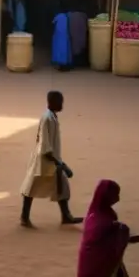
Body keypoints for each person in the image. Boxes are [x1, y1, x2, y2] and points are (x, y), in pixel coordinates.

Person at [19, 90, 82, 227]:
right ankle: (24, 217)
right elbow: (45, 145)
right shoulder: (48, 119)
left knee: (62, 187)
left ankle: (66, 215)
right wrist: (61, 164)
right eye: (60, 102)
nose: (62, 105)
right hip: (45, 160)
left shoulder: (51, 116)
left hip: (51, 159)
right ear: (52, 103)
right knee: (32, 187)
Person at [52, 1, 73, 72]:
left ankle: (61, 66)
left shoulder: (57, 16)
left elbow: (53, 24)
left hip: (58, 36)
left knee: (59, 52)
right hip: (66, 36)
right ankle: (66, 66)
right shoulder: (67, 16)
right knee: (66, 51)